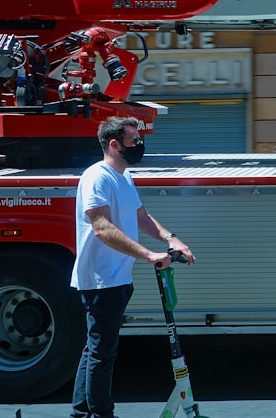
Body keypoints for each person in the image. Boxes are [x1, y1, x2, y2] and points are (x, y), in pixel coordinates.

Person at [70, 116, 195, 418]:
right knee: (102, 353)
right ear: (114, 145)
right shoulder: (96, 177)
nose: (140, 145)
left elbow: (140, 215)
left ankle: (80, 413)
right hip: (101, 280)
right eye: (134, 141)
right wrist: (149, 255)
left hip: (118, 277)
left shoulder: (123, 177)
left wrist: (170, 238)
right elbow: (101, 228)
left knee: (95, 349)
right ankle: (101, 414)